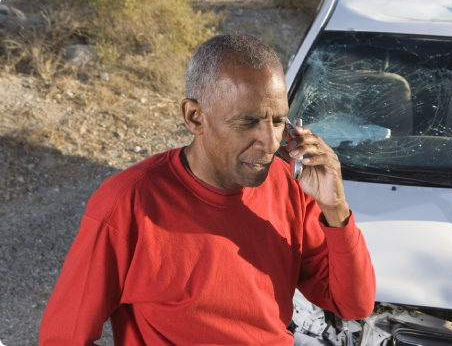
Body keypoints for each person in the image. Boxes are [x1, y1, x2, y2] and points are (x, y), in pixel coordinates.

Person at [39, 34, 376, 345]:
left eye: (278, 121)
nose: (272, 142)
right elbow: (63, 337)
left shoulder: (290, 187)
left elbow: (353, 305)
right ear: (195, 117)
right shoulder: (128, 202)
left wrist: (336, 209)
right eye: (247, 122)